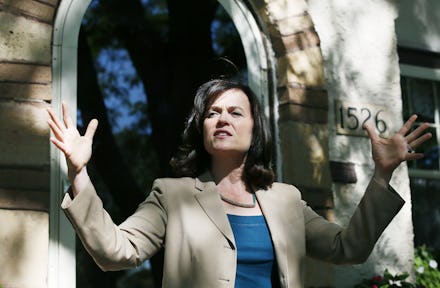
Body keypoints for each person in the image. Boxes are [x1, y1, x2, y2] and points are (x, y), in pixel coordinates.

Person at [47, 79, 431, 288]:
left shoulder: (286, 199)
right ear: (202, 129)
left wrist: (382, 174)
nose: (222, 119)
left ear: (254, 127)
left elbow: (348, 248)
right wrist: (79, 173)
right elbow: (115, 252)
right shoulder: (171, 194)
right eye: (212, 113)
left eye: (234, 112)